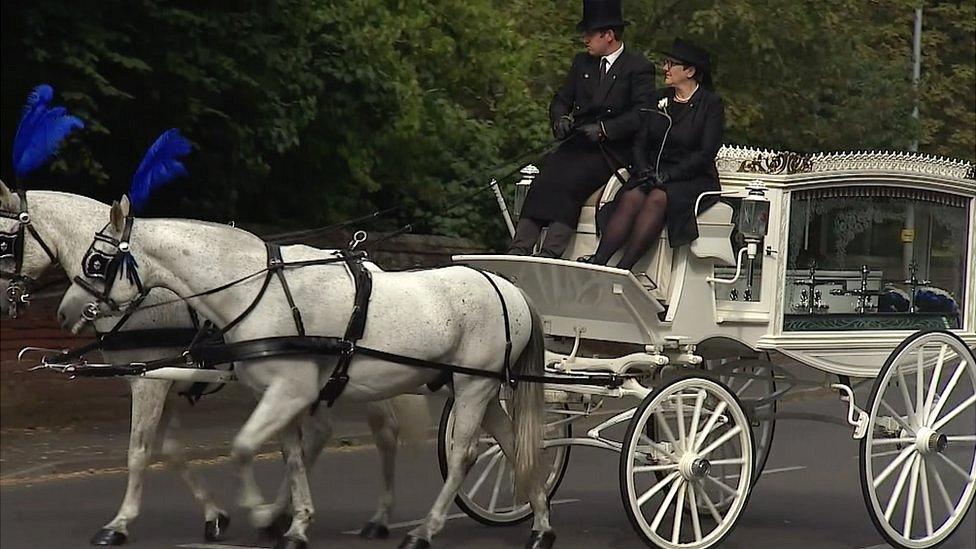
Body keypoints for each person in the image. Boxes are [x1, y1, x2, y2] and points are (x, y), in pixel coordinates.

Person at [508, 0, 653, 258]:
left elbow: (642, 114)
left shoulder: (638, 68)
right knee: (544, 179)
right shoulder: (582, 63)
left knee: (571, 182)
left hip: (611, 149)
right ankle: (518, 249)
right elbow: (562, 98)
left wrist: (604, 129)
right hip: (577, 142)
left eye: (590, 34)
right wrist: (560, 118)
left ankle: (550, 253)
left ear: (608, 35)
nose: (585, 39)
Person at [584, 37, 724, 270]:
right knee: (633, 195)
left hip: (692, 177)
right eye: (665, 62)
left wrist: (670, 176)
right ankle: (600, 261)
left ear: (689, 71)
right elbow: (640, 141)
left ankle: (625, 268)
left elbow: (705, 152)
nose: (665, 68)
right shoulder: (658, 98)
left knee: (658, 198)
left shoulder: (711, 104)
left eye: (671, 64)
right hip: (654, 172)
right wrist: (643, 169)